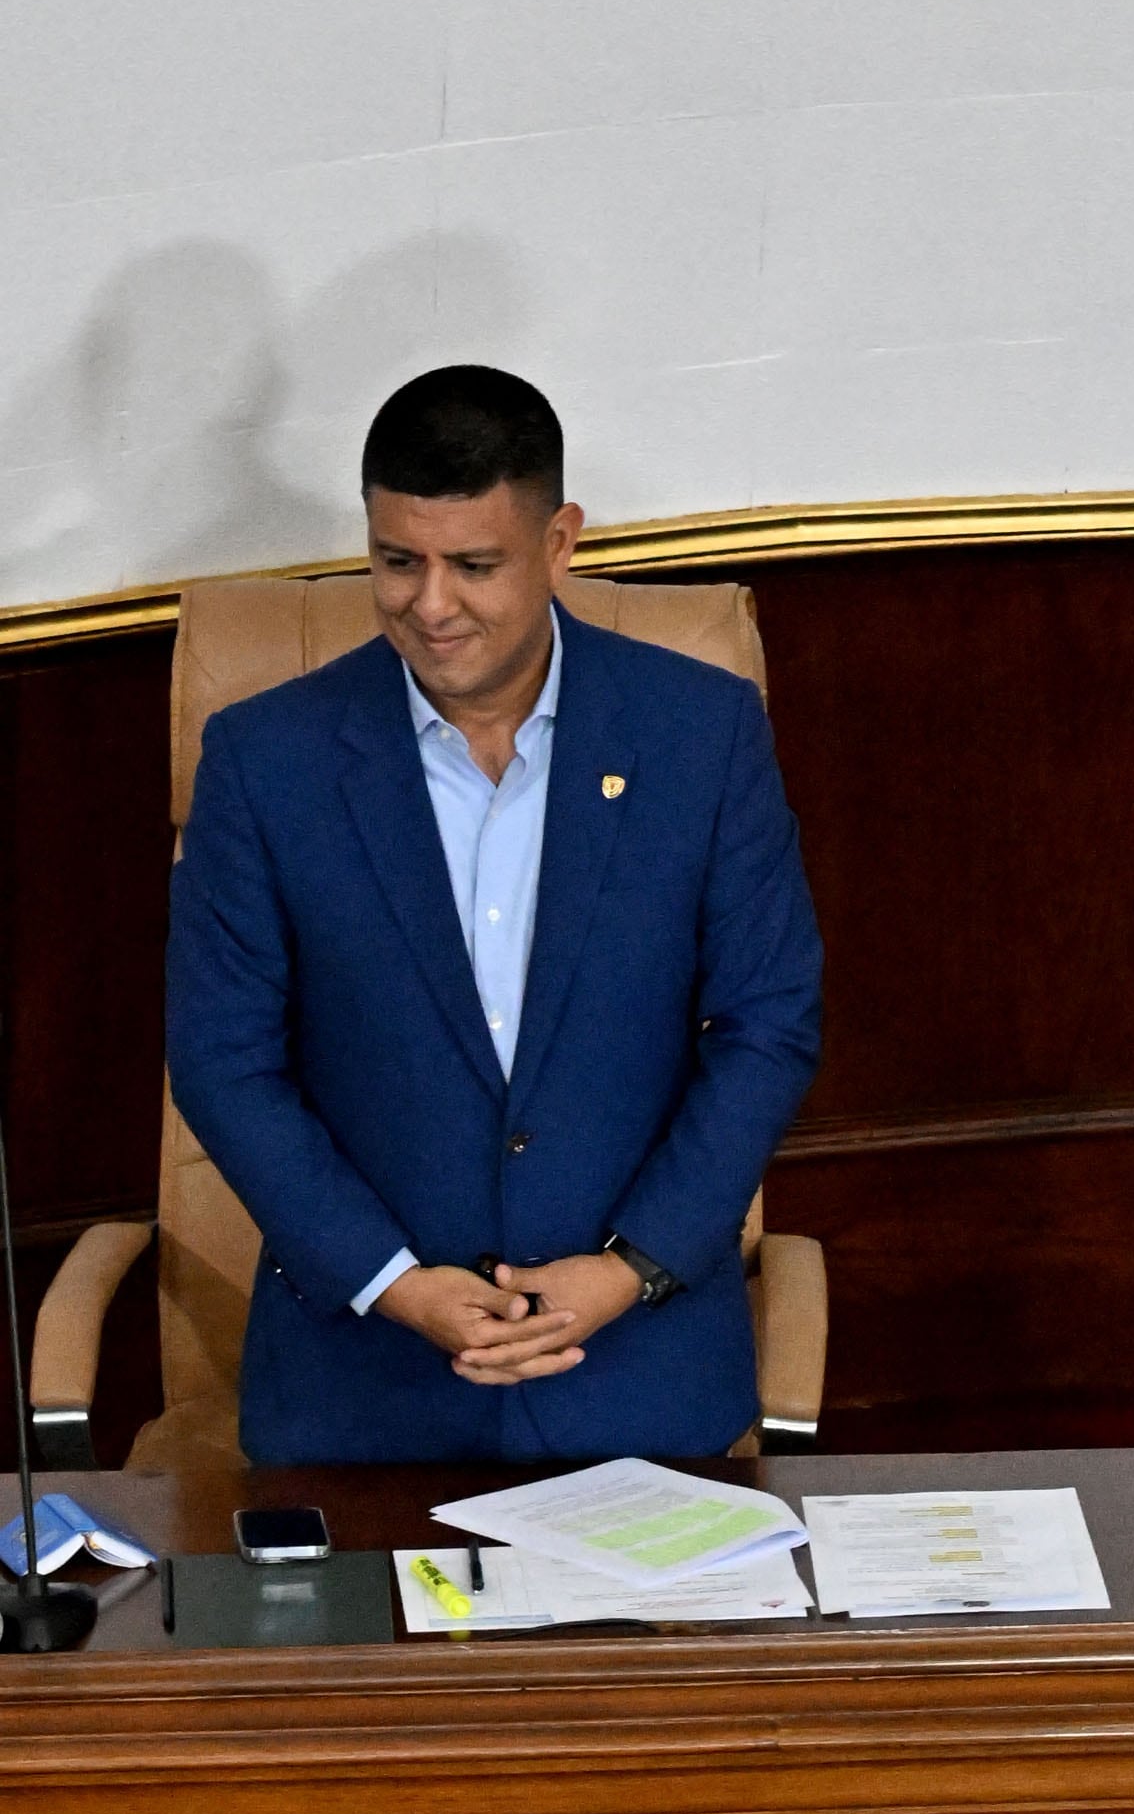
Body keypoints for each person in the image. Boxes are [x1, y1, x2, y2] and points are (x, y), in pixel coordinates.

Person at [165, 366, 824, 1462]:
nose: (430, 604)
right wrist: (395, 1284)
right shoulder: (262, 760)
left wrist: (628, 1269)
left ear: (560, 541)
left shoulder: (700, 735)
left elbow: (770, 1023)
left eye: (474, 564)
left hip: (637, 1380)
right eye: (396, 561)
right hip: (366, 1394)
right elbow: (223, 1060)